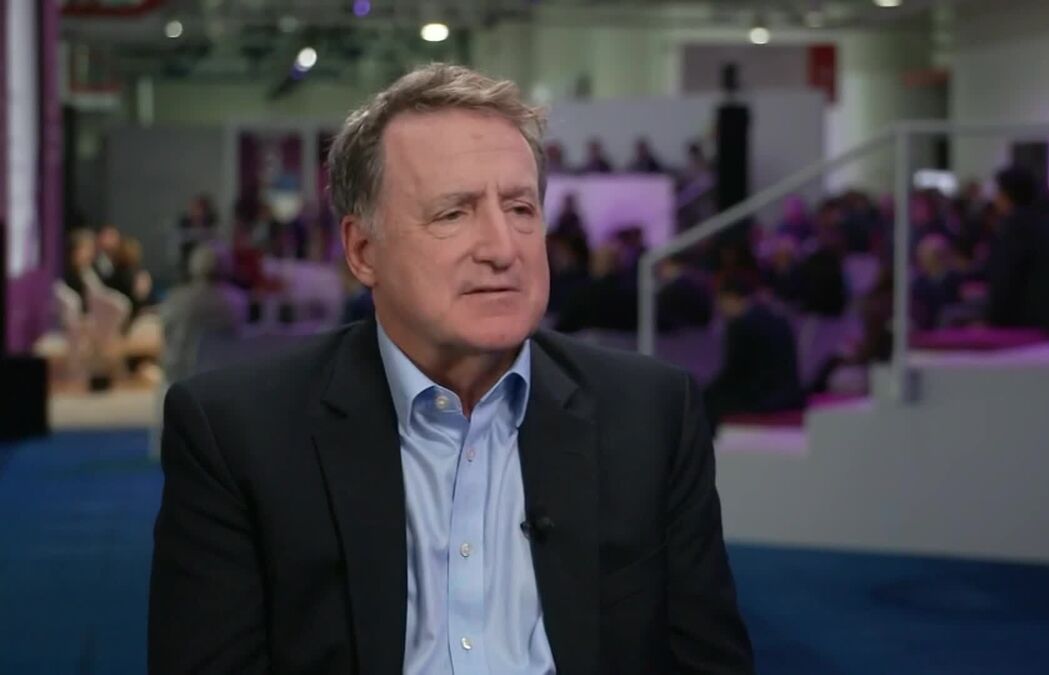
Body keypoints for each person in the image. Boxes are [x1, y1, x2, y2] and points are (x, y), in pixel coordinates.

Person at [149, 63, 753, 675]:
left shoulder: (653, 415)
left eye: (520, 208)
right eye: (452, 214)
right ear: (362, 250)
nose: (502, 248)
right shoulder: (237, 435)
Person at [704, 273, 804, 428]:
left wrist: (705, 391)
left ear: (730, 298)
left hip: (762, 397)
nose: (719, 308)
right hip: (790, 394)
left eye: (720, 301)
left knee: (705, 401)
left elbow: (734, 373)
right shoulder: (778, 319)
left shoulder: (739, 326)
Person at [986, 165, 1049, 336]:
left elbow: (1006, 280)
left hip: (1028, 326)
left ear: (1006, 195)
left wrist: (991, 322)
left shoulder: (1016, 227)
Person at [158, 244, 245, 383]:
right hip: (223, 376)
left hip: (179, 374)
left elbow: (165, 333)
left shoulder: (176, 298)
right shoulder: (238, 300)